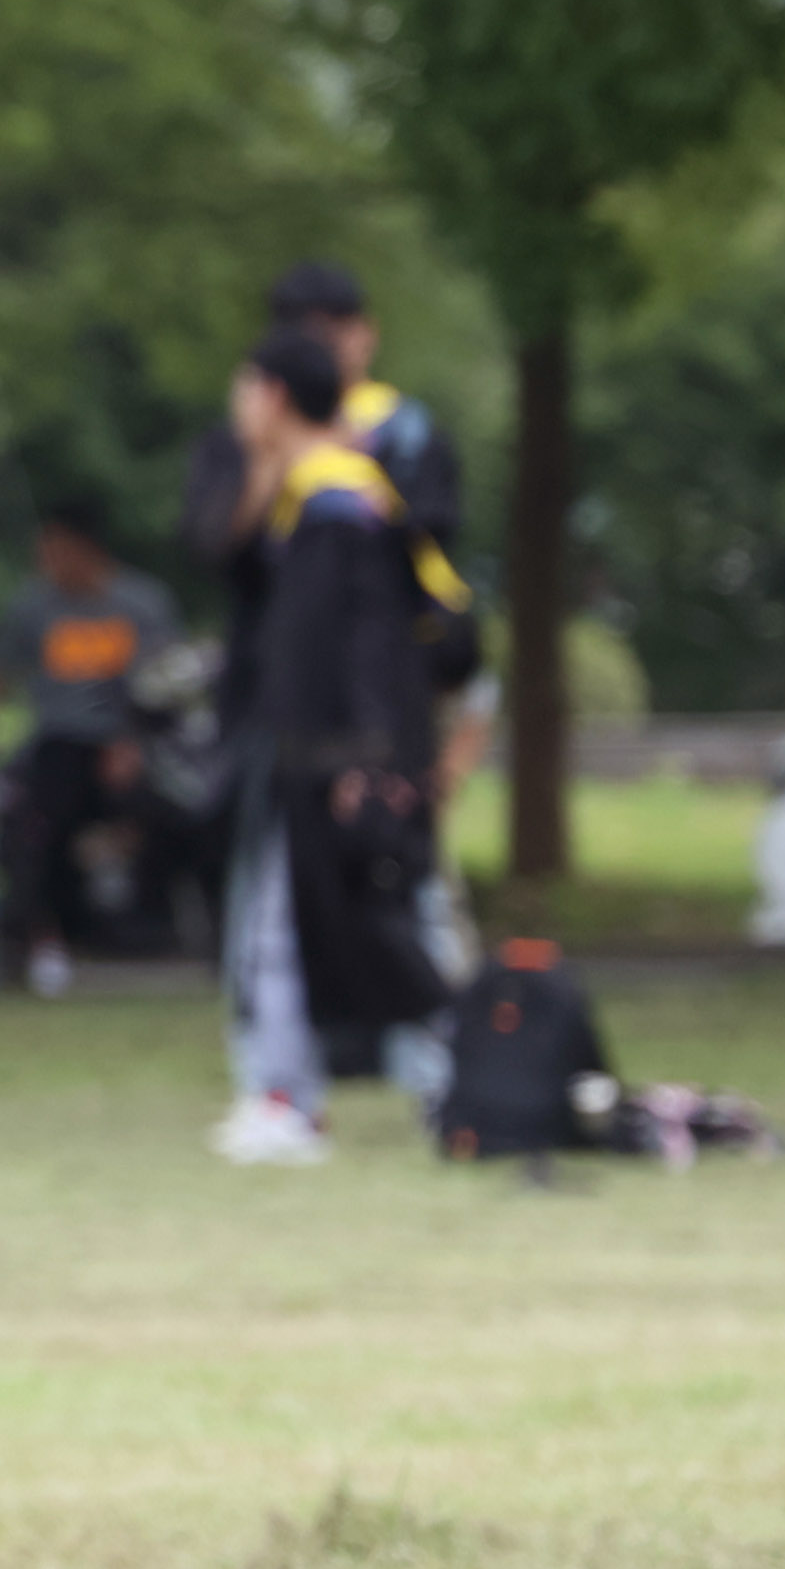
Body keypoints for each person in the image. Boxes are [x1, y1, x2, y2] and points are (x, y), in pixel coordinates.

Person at [206, 330, 455, 1166]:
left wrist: (362, 756)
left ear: (275, 395)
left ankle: (290, 1100)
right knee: (334, 926)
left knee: (319, 928)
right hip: (343, 749)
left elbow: (361, 646)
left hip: (338, 755)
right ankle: (308, 1093)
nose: (239, 407)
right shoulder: (332, 493)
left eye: (246, 389)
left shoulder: (334, 504)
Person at [0, 503, 182, 993]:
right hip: (59, 742)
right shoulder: (35, 607)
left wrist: (132, 741)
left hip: (130, 742)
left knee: (171, 813)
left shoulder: (141, 604)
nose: (47, 562)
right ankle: (41, 937)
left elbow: (166, 683)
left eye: (56, 550)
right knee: (31, 823)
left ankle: (150, 928)